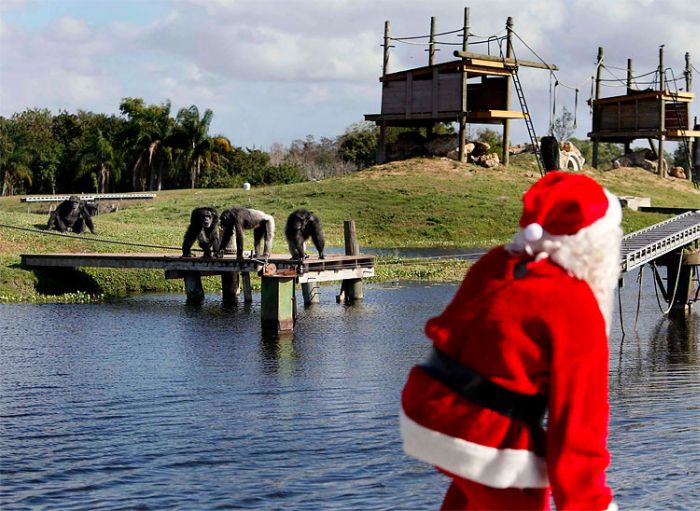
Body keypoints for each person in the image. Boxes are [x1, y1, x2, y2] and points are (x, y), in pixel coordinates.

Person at [400, 170, 622, 511]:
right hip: (483, 430)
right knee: (516, 495)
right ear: (598, 244)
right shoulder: (576, 305)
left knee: (473, 490)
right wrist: (588, 503)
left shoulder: (496, 262)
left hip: (424, 404)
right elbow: (579, 426)